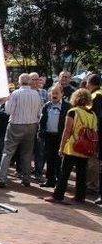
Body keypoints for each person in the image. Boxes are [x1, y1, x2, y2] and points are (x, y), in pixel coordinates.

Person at [46, 88, 98, 204]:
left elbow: (67, 130)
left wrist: (61, 146)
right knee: (82, 173)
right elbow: (94, 131)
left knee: (64, 172)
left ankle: (58, 195)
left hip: (73, 146)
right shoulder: (93, 114)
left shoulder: (73, 111)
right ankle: (80, 197)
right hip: (85, 147)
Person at [0, 73, 44, 188]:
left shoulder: (15, 93)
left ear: (19, 82)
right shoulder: (36, 94)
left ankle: (2, 178)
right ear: (29, 82)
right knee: (27, 154)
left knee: (7, 152)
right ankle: (26, 179)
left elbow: (8, 111)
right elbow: (39, 113)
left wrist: (7, 100)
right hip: (32, 125)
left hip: (16, 125)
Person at [38, 86, 71, 188]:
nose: (54, 95)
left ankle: (59, 182)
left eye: (57, 93)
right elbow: (42, 121)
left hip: (60, 137)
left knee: (59, 160)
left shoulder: (67, 106)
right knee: (49, 159)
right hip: (48, 136)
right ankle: (50, 180)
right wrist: (40, 133)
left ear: (62, 94)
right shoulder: (47, 106)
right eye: (53, 93)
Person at [86, 74, 102, 206]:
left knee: (94, 160)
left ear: (90, 83)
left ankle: (93, 185)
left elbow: (94, 116)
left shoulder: (95, 96)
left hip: (97, 134)